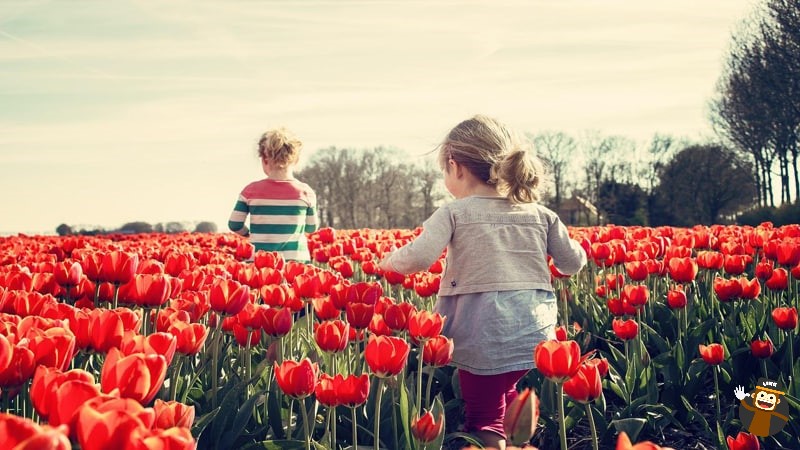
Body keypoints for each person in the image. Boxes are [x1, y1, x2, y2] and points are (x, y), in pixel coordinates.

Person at [379, 115, 587, 450]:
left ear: (455, 166)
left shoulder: (454, 213)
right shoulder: (541, 214)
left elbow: (419, 257)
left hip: (483, 333)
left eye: (445, 172)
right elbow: (572, 262)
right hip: (534, 333)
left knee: (484, 415)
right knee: (507, 397)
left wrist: (388, 261)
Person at [228, 127, 318, 262]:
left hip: (260, 262)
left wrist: (249, 234)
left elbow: (234, 224)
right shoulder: (306, 192)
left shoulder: (251, 191)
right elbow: (311, 228)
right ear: (296, 160)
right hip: (295, 262)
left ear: (264, 160)